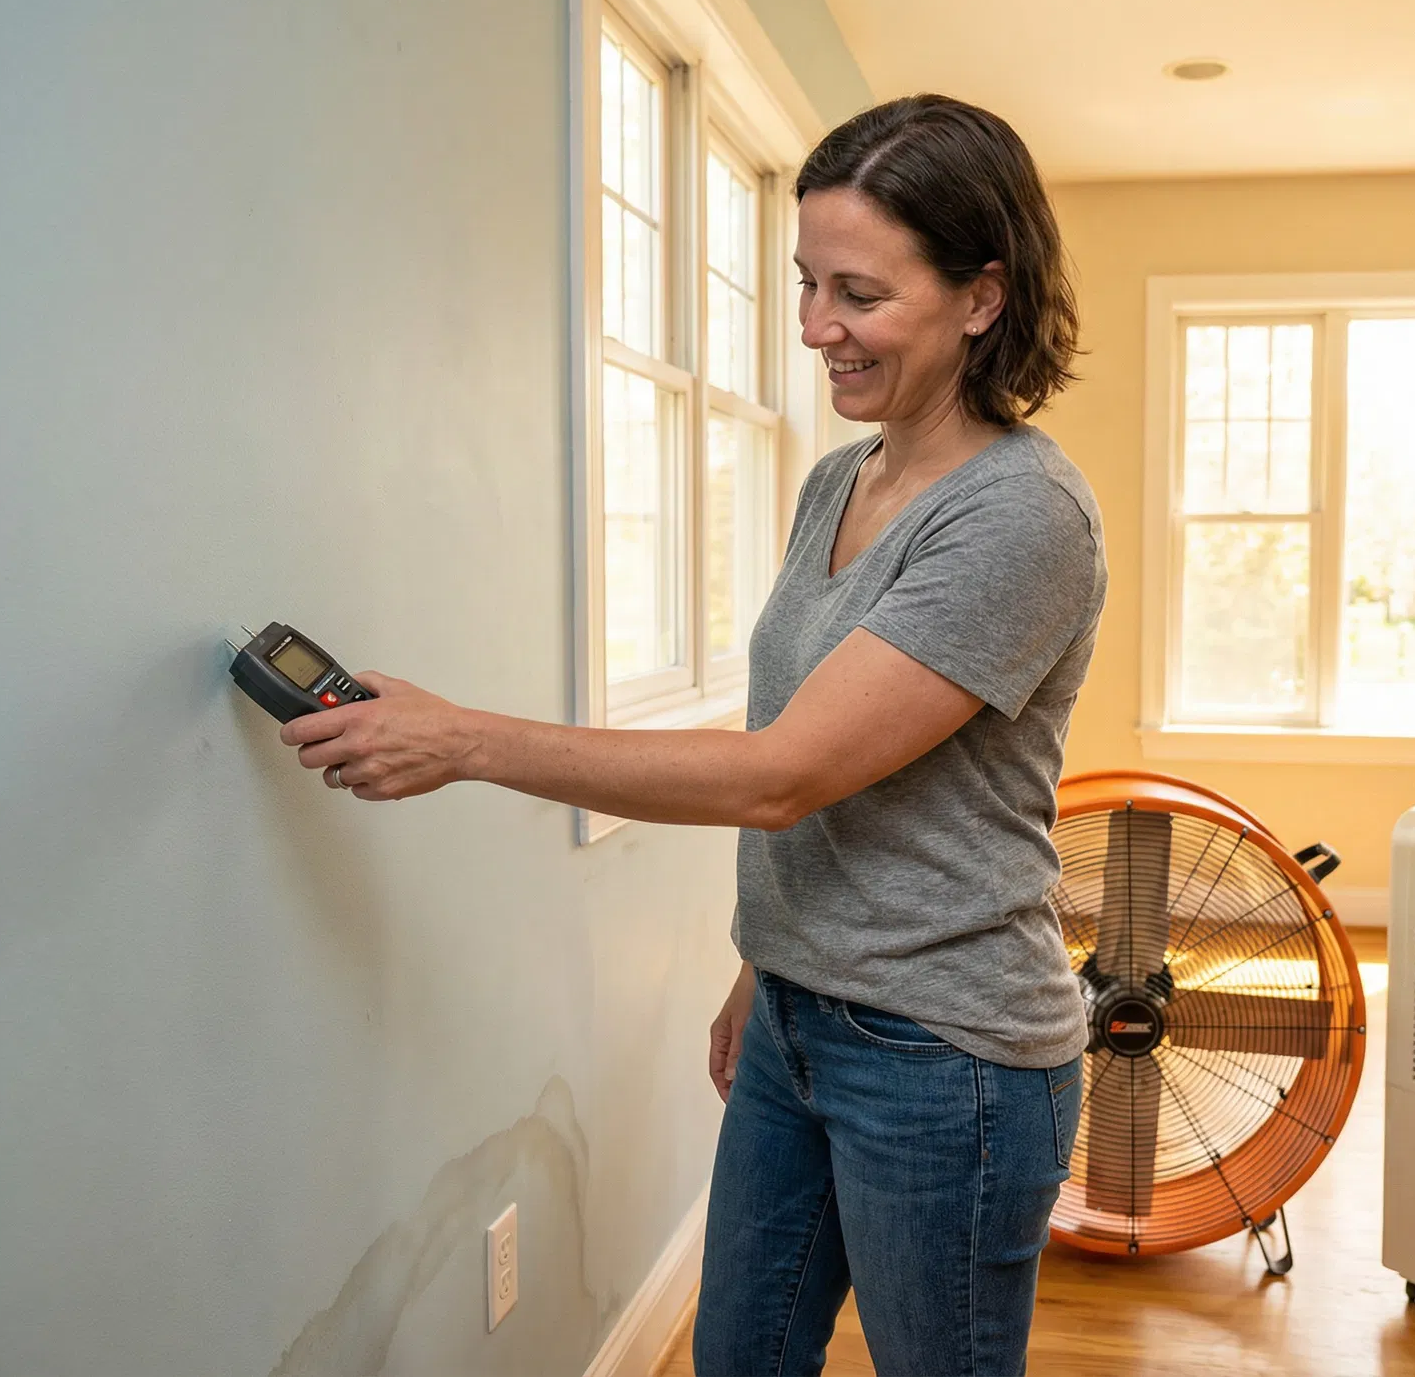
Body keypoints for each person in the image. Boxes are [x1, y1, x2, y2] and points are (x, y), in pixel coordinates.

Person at [279, 93, 1107, 1377]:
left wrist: (465, 742)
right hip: (797, 1018)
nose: (815, 327)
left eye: (859, 294)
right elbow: (817, 740)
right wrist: (765, 966)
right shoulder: (844, 476)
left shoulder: (1021, 517)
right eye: (803, 283)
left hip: (948, 1063)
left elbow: (784, 774)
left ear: (982, 298)